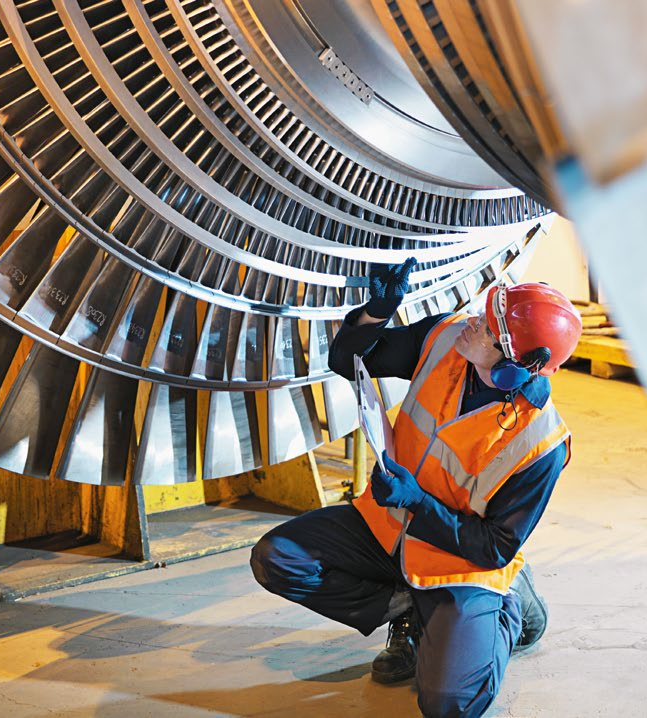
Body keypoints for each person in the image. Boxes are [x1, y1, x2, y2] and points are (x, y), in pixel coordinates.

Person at [250, 257, 583, 717]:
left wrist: (417, 502)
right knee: (278, 558)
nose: (473, 323)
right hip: (387, 527)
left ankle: (507, 611)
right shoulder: (448, 339)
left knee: (449, 705)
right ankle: (407, 607)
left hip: (462, 565)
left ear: (512, 367)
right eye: (483, 313)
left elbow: (492, 548)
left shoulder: (539, 445)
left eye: (488, 328)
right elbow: (347, 360)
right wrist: (378, 312)